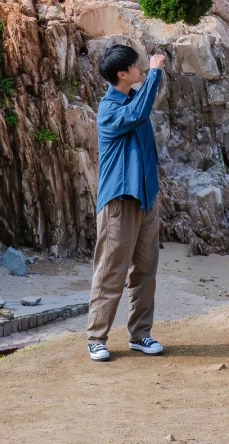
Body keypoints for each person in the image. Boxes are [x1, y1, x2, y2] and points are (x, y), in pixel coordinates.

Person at [86, 42, 167, 362]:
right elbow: (138, 113)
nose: (142, 69)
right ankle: (96, 337)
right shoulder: (110, 108)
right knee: (111, 271)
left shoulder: (134, 99)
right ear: (122, 74)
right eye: (137, 66)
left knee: (146, 271)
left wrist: (152, 80)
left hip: (146, 198)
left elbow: (141, 108)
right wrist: (156, 73)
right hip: (119, 202)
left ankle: (140, 335)